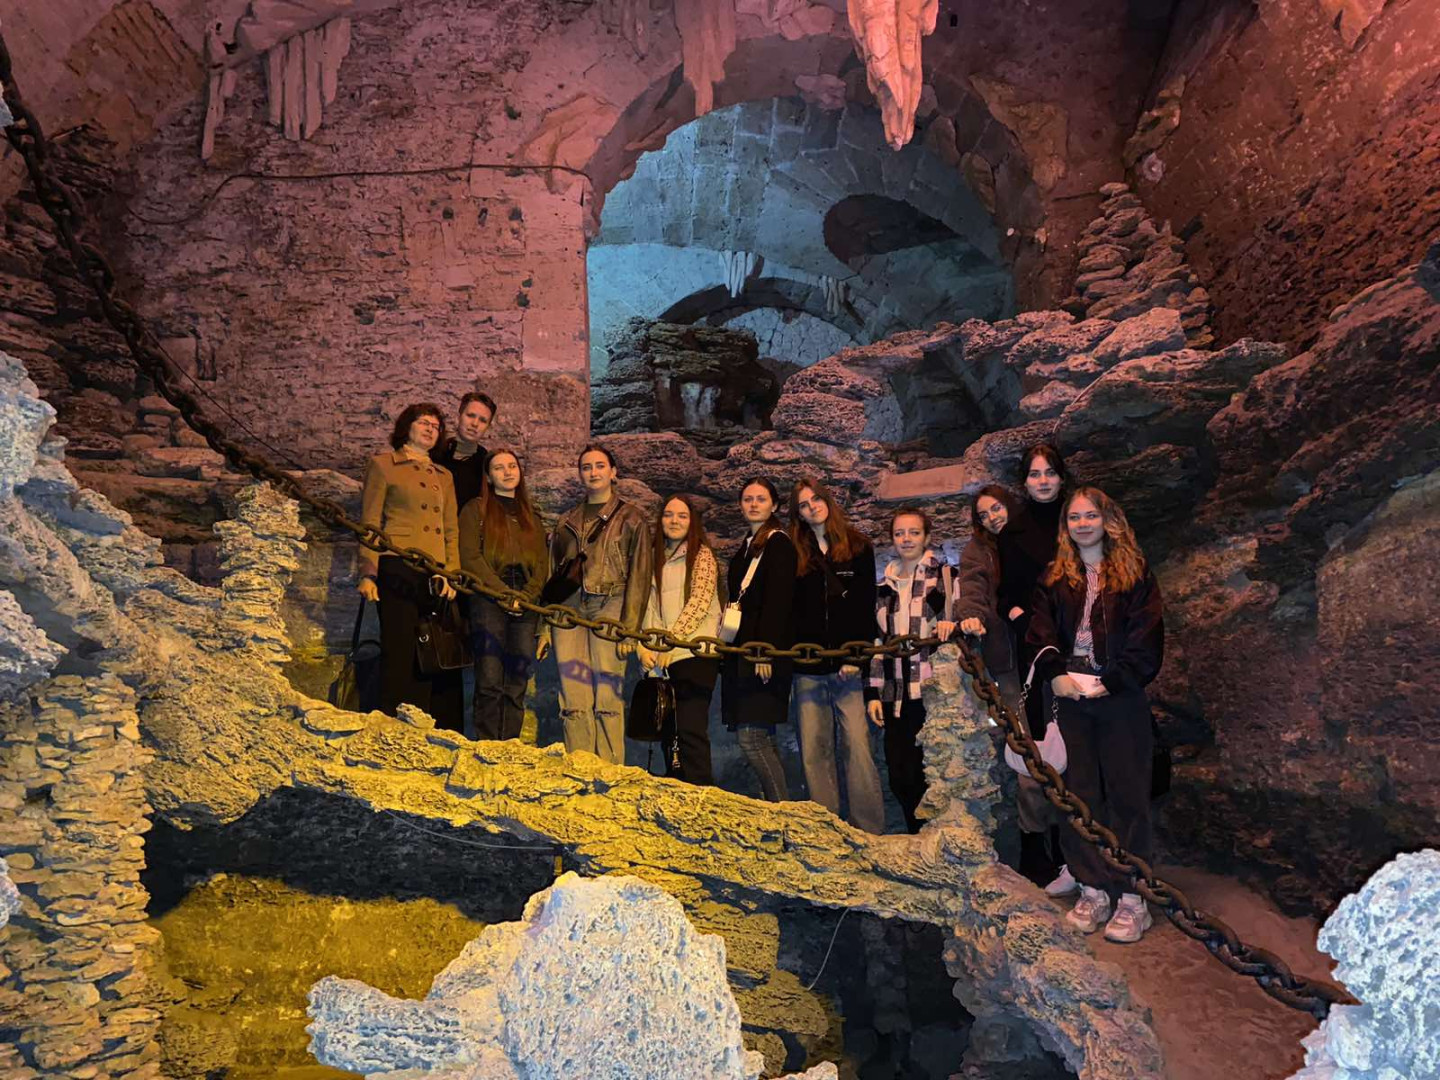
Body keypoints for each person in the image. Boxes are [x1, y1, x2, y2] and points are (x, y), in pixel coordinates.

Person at [1027, 486, 1164, 944]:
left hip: (1119, 697)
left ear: (1107, 520)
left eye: (1090, 516)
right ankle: (1093, 888)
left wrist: (1117, 680)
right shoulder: (1054, 577)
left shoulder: (1135, 573)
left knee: (1128, 795)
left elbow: (1147, 635)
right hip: (1070, 695)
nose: (1082, 524)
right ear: (1065, 526)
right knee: (1078, 796)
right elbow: (1040, 629)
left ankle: (1132, 898)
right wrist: (1054, 673)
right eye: (1074, 517)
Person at [955, 485, 1059, 883]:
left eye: (996, 508)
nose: (992, 518)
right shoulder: (978, 551)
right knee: (1029, 754)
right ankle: (1035, 846)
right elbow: (973, 587)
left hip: (1050, 653)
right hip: (1011, 665)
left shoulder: (1034, 537)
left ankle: (1065, 845)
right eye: (983, 514)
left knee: (1064, 749)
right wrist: (970, 615)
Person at [997, 443, 1075, 895]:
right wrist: (1026, 624)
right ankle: (1045, 850)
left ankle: (1076, 849)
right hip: (1037, 651)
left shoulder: (1078, 519)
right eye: (1034, 474)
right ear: (1024, 481)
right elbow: (1007, 594)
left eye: (1049, 473)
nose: (1043, 481)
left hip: (1081, 647)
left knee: (1080, 751)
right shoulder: (1014, 531)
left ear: (1061, 476)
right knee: (1047, 748)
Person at [357, 402, 463, 730]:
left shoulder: (444, 476)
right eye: (424, 423)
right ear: (407, 427)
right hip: (396, 566)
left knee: (430, 653)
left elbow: (450, 529)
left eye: (436, 426)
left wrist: (450, 575)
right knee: (399, 649)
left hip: (434, 574)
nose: (431, 429)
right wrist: (368, 573)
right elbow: (370, 523)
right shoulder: (383, 465)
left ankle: (429, 727)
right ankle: (394, 726)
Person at [788, 478, 884, 834]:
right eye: (803, 504)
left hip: (848, 664)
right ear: (798, 513)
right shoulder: (793, 552)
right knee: (815, 749)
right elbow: (791, 609)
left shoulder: (858, 547)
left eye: (816, 499)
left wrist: (855, 657)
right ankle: (825, 829)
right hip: (808, 666)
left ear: (827, 501)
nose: (812, 507)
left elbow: (864, 606)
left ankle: (869, 829)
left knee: (857, 745)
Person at [550, 445, 652, 764]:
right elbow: (553, 578)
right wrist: (543, 628)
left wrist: (630, 627)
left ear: (613, 471)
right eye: (586, 467)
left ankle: (610, 771)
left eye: (599, 465)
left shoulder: (632, 518)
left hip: (611, 602)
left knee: (608, 694)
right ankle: (581, 766)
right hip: (569, 609)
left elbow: (640, 575)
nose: (593, 472)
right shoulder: (566, 521)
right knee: (573, 696)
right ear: (580, 474)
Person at [866, 508, 956, 833]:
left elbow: (959, 622)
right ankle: (917, 838)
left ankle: (940, 838)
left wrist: (952, 624)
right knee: (901, 775)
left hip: (932, 693)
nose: (906, 539)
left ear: (926, 537)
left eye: (914, 532)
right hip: (895, 693)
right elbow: (878, 643)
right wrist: (873, 693)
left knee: (936, 772)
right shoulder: (883, 588)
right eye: (899, 533)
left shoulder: (944, 579)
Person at [457, 449, 550, 741]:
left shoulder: (531, 516)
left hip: (526, 600)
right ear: (488, 476)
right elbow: (470, 556)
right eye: (499, 468)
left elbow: (542, 562)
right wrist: (502, 593)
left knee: (517, 679)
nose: (507, 472)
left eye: (512, 466)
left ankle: (510, 744)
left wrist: (528, 595)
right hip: (488, 596)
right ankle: (486, 745)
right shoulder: (475, 510)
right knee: (489, 679)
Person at [635, 495, 722, 785]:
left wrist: (673, 641)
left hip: (694, 654)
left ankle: (701, 792)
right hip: (663, 657)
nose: (674, 521)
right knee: (668, 731)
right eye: (669, 515)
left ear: (692, 521)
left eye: (682, 516)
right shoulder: (653, 556)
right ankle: (676, 788)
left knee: (690, 729)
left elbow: (699, 603)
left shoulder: (702, 556)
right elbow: (648, 607)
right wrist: (644, 646)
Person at [721, 478, 798, 803]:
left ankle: (782, 810)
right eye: (748, 499)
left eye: (761, 499)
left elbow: (779, 602)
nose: (753, 504)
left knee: (752, 737)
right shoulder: (751, 543)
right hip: (746, 652)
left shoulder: (777, 544)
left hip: (760, 654)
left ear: (774, 505)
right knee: (761, 737)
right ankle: (776, 807)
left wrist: (765, 652)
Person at [432, 391, 495, 512]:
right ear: (459, 416)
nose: (475, 424)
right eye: (470, 415)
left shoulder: (486, 463)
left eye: (482, 420)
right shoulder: (435, 452)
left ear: (488, 426)